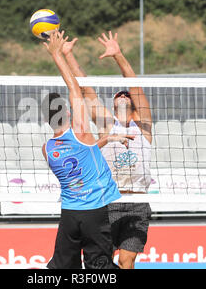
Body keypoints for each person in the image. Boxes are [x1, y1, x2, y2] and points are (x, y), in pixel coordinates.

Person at [61, 31, 153, 269]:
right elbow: (86, 89)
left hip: (136, 203)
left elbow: (133, 83)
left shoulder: (143, 125)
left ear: (132, 104)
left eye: (126, 95)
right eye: (118, 95)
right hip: (108, 200)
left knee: (127, 260)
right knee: (101, 261)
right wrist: (68, 55)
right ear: (113, 105)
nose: (123, 95)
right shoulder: (106, 124)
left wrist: (118, 55)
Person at [41, 30, 126, 269]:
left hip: (69, 214)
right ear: (67, 112)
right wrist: (57, 55)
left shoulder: (47, 149)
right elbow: (75, 89)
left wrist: (107, 140)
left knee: (61, 268)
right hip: (96, 211)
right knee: (100, 266)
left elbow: (83, 153)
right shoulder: (80, 132)